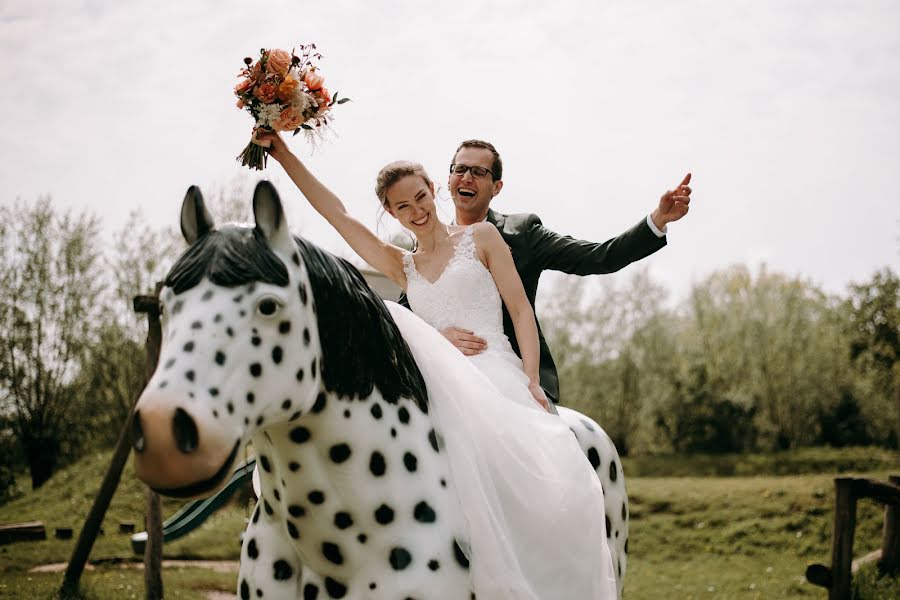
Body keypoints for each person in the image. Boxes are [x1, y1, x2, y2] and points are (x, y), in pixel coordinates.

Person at [257, 130, 618, 598]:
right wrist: (282, 152)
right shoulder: (399, 265)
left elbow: (521, 311)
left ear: (434, 188)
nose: (417, 211)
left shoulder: (481, 237)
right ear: (391, 212)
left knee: (531, 482)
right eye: (403, 206)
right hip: (435, 384)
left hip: (495, 375)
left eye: (421, 197)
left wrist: (531, 379)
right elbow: (336, 214)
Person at [409, 139, 691, 407]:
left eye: (479, 172)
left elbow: (598, 257)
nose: (467, 177)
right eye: (460, 169)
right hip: (442, 379)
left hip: (515, 381)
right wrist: (438, 337)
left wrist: (657, 221)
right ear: (448, 179)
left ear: (497, 187)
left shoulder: (522, 233)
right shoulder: (425, 245)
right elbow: (404, 314)